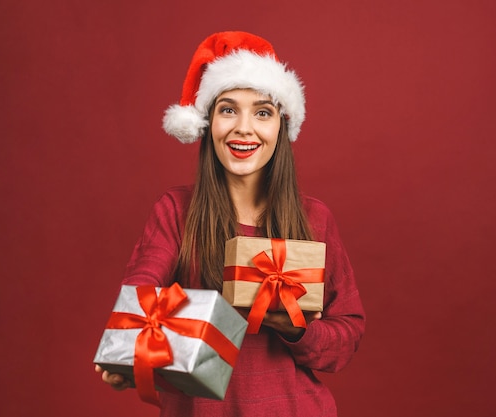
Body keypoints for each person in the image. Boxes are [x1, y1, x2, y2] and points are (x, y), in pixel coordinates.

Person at [95, 31, 366, 417]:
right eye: (227, 109)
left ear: (281, 126)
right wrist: (129, 347)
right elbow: (141, 290)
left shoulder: (314, 218)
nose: (243, 128)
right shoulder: (176, 210)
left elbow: (347, 335)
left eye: (262, 112)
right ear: (207, 123)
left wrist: (296, 330)